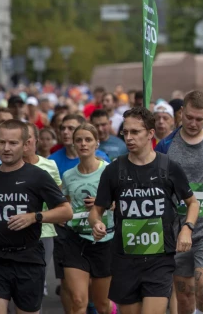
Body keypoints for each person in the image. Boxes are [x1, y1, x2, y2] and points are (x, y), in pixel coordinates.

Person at [89, 107, 199, 314]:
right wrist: (96, 223)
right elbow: (96, 210)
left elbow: (193, 202)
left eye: (135, 132)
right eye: (125, 132)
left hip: (159, 258)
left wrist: (187, 229)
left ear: (150, 133)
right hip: (125, 259)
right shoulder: (113, 170)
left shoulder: (168, 167)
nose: (129, 138)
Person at [154, 91, 203, 314]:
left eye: (199, 119)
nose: (193, 123)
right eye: (189, 117)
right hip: (177, 232)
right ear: (181, 113)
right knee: (185, 297)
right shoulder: (165, 146)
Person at [0, 119, 73, 314]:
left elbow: (66, 211)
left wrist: (35, 217)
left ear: (25, 144)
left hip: (28, 259)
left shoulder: (37, 176)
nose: (6, 148)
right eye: (2, 142)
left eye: (13, 143)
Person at [61, 124, 116, 314]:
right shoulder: (68, 176)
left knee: (102, 305)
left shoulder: (109, 171)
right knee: (78, 301)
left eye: (88, 140)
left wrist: (104, 204)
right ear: (74, 144)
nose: (83, 144)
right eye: (79, 140)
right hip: (75, 241)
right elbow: (67, 205)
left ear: (96, 143)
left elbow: (122, 203)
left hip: (104, 241)